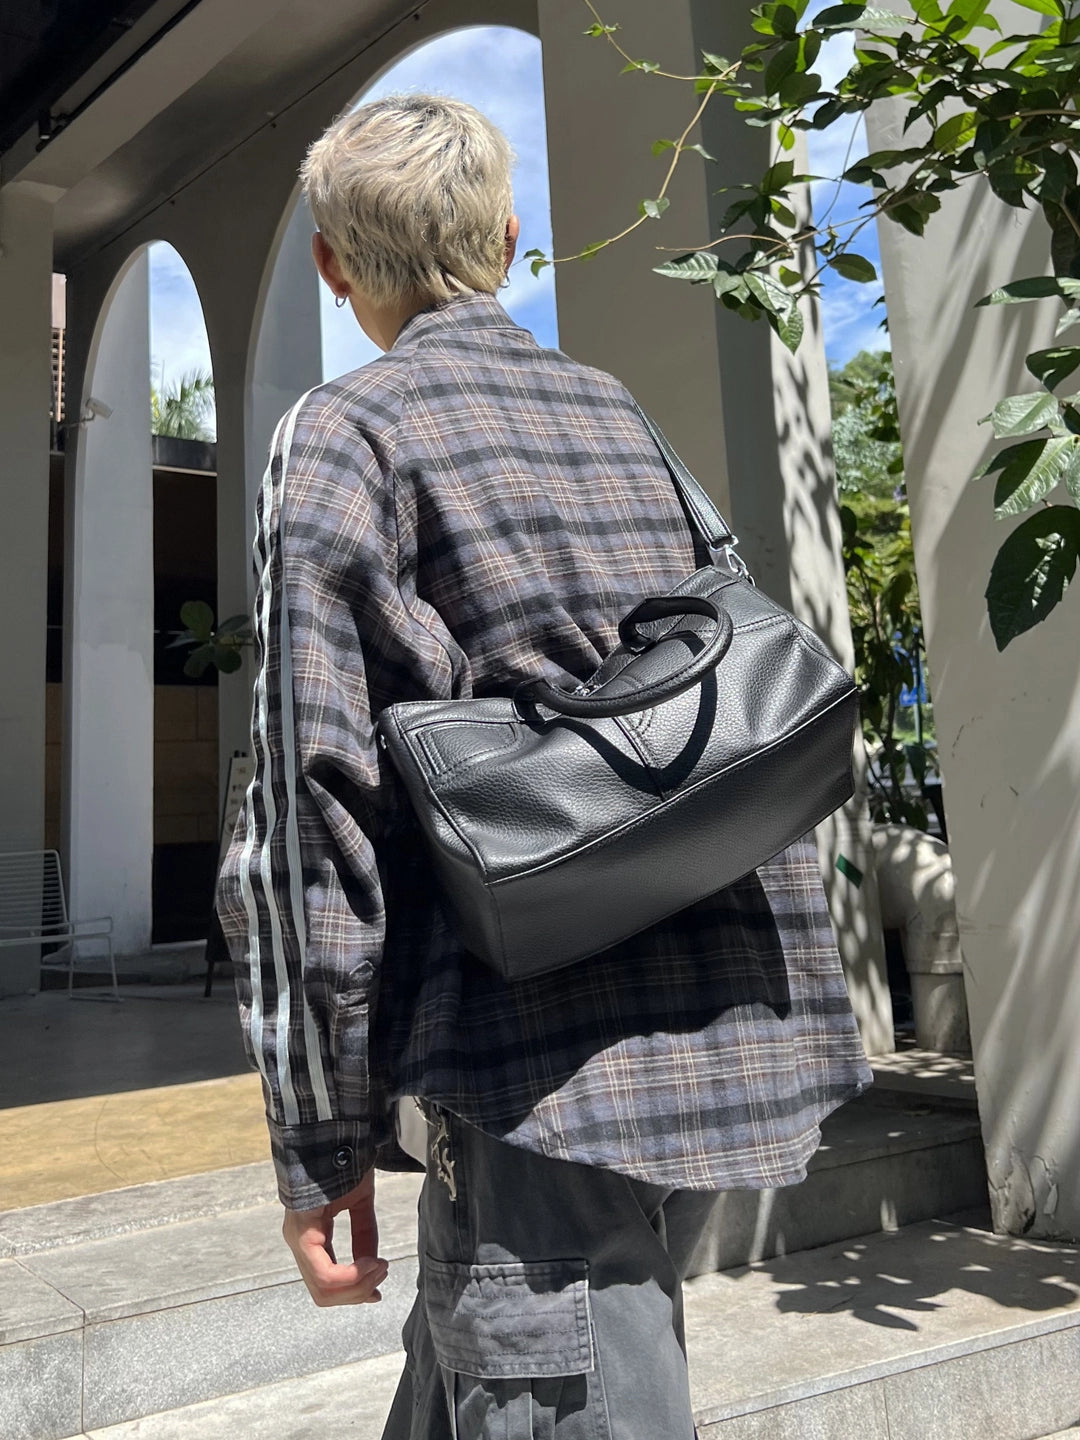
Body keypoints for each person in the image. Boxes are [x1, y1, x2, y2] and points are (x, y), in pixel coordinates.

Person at [215, 93, 872, 1440]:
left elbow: (307, 804)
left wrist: (320, 1139)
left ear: (333, 266)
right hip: (724, 1004)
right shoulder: (615, 409)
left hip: (533, 1056)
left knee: (541, 1358)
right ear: (509, 240)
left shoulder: (344, 432)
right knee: (490, 1369)